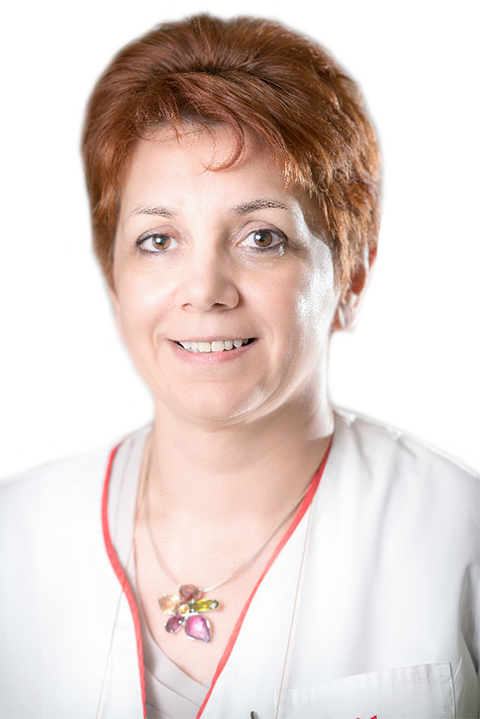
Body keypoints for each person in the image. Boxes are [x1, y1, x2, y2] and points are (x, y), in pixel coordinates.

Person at [0, 10, 478, 719]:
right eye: (158, 240)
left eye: (262, 237)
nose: (205, 290)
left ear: (351, 279)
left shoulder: (460, 533)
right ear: (113, 285)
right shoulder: (14, 538)